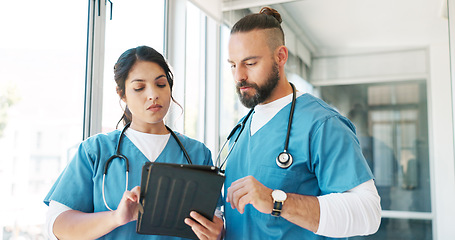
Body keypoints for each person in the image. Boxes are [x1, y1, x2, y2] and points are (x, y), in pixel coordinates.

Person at [223, 7, 382, 239]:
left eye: (250, 63)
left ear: (281, 57)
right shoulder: (239, 131)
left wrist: (277, 201)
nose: (239, 76)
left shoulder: (323, 124)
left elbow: (368, 213)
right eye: (233, 65)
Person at [43, 46, 223, 240]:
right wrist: (116, 218)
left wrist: (217, 233)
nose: (153, 94)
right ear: (122, 93)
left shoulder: (197, 153)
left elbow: (216, 222)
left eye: (161, 84)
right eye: (139, 87)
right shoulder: (95, 151)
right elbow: (57, 225)